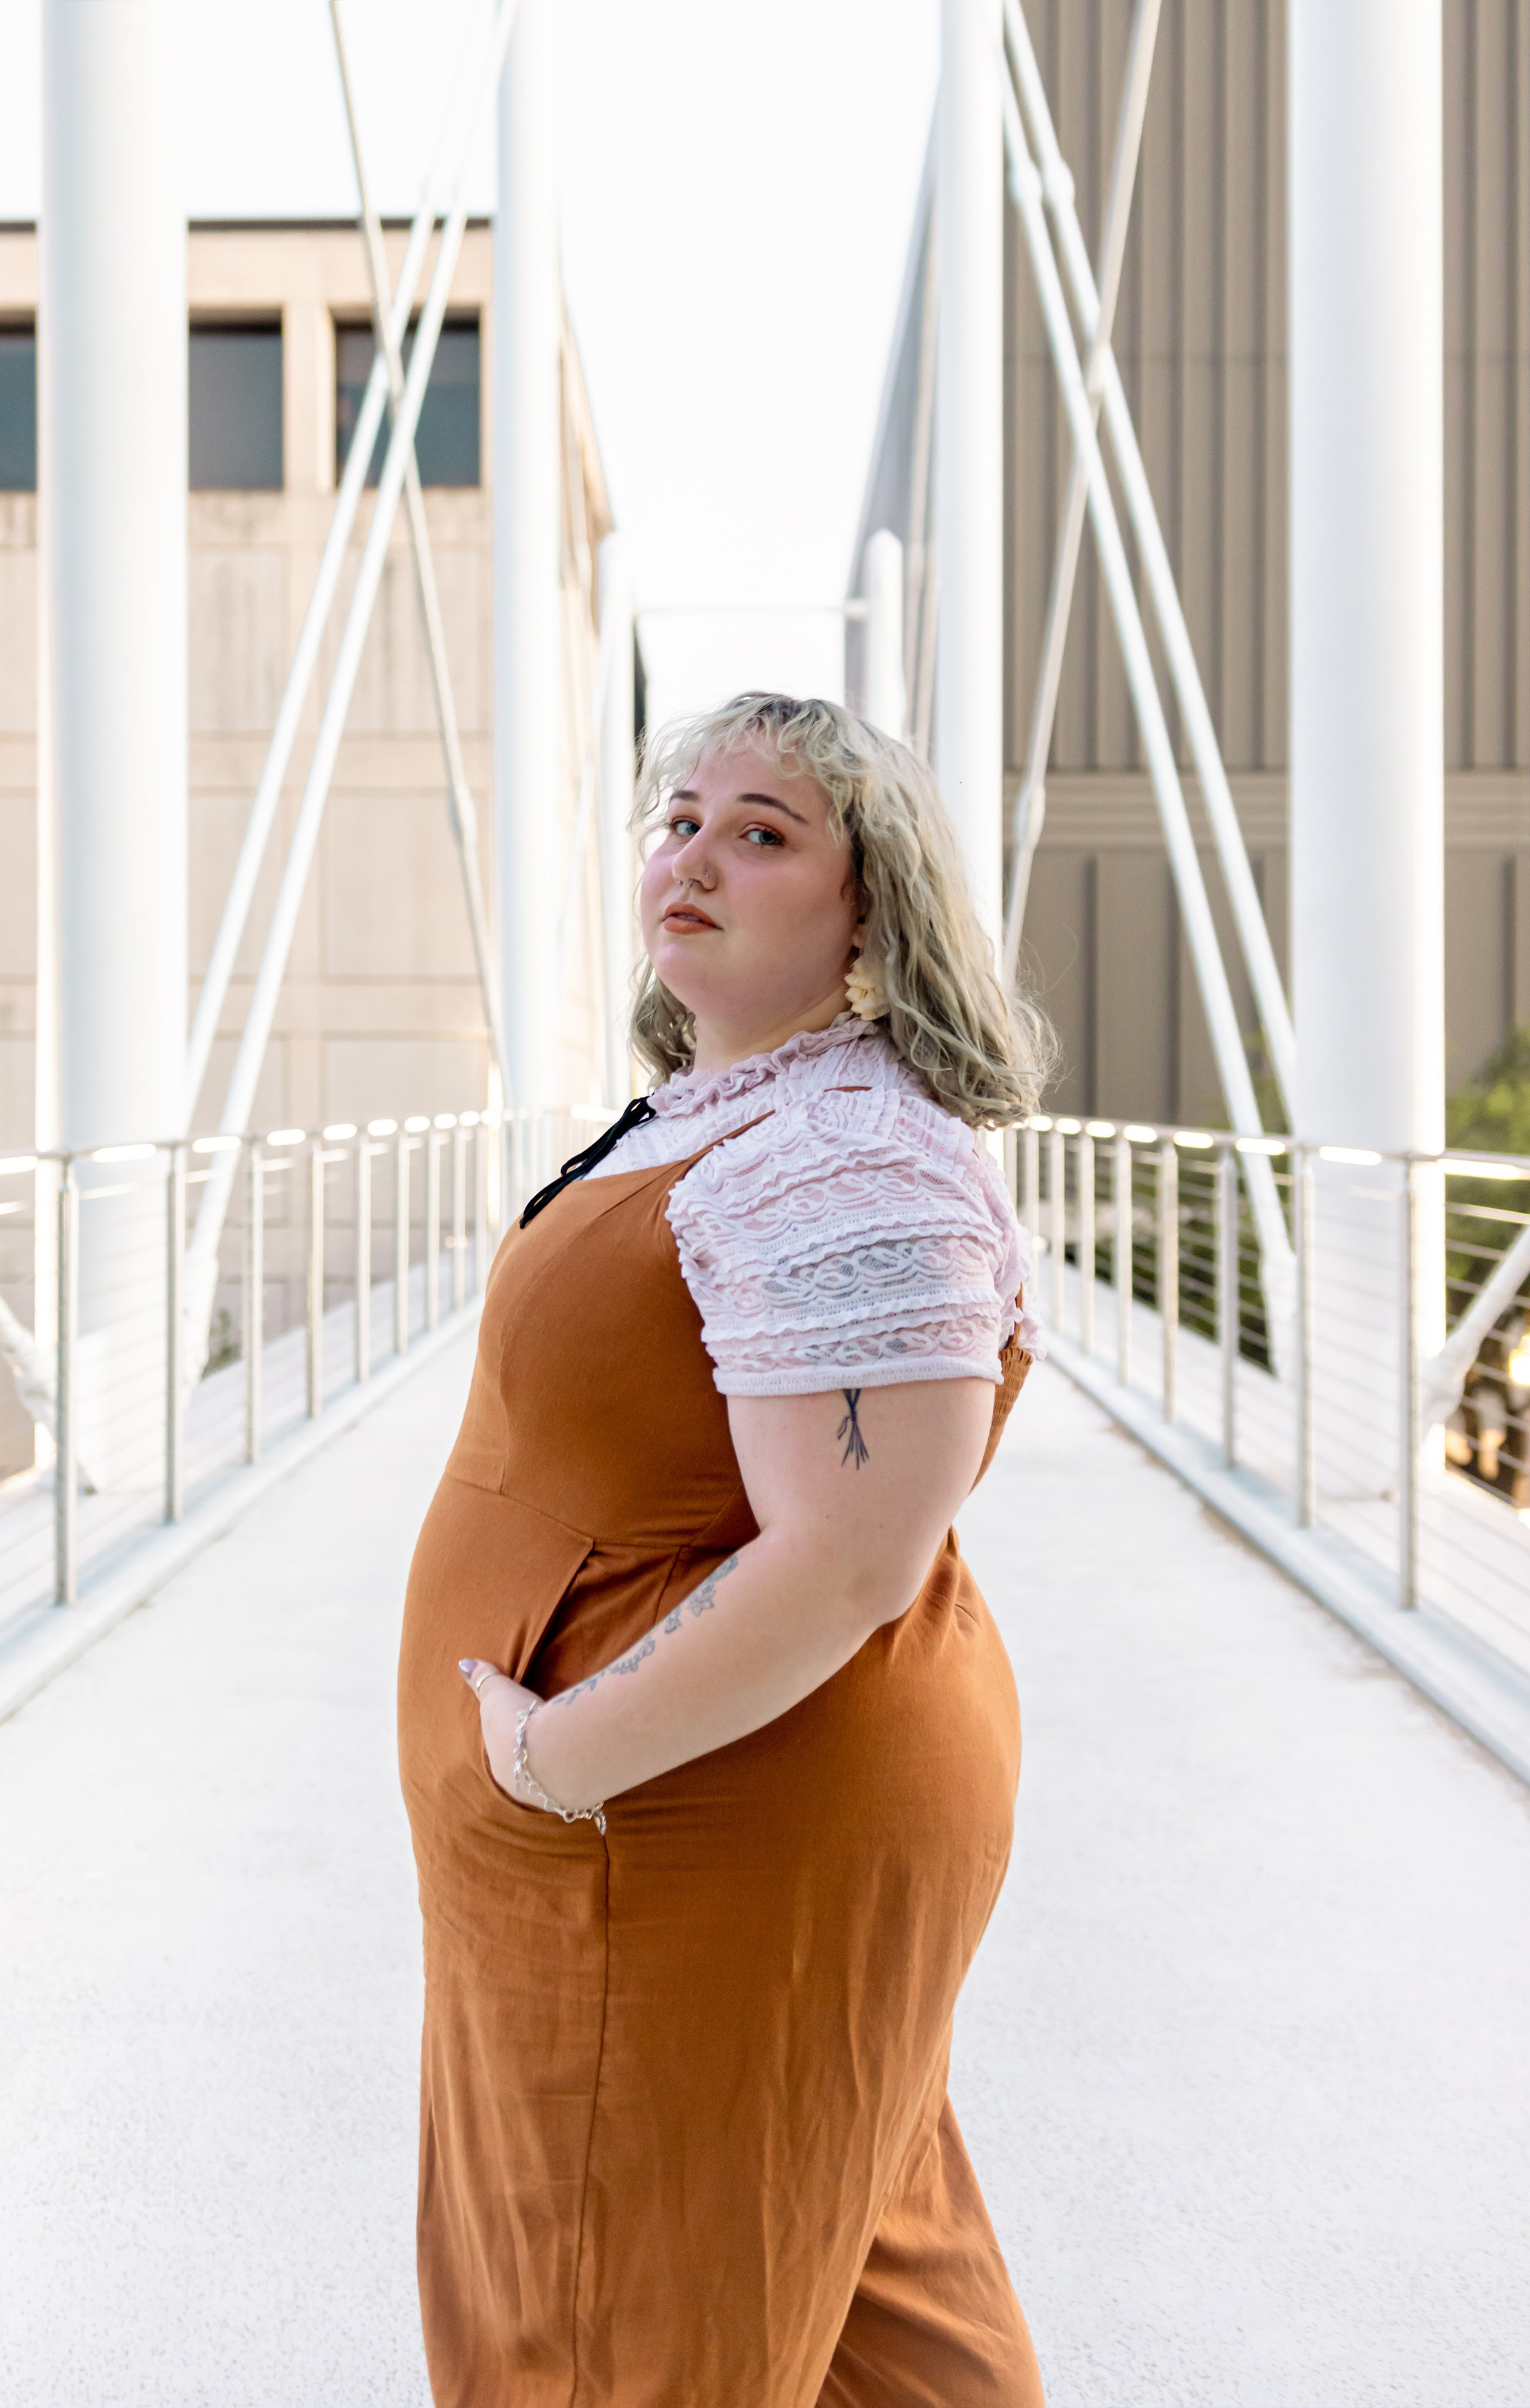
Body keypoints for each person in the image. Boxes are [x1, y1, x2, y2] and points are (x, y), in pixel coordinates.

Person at [398, 691, 1052, 2407]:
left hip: (683, 1823)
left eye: (762, 832)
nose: (692, 856)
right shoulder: (736, 1107)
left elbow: (847, 1559)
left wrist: (554, 1758)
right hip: (674, 1824)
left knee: (612, 2326)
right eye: (678, 818)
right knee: (857, 2286)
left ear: (871, 910)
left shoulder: (840, 1152)